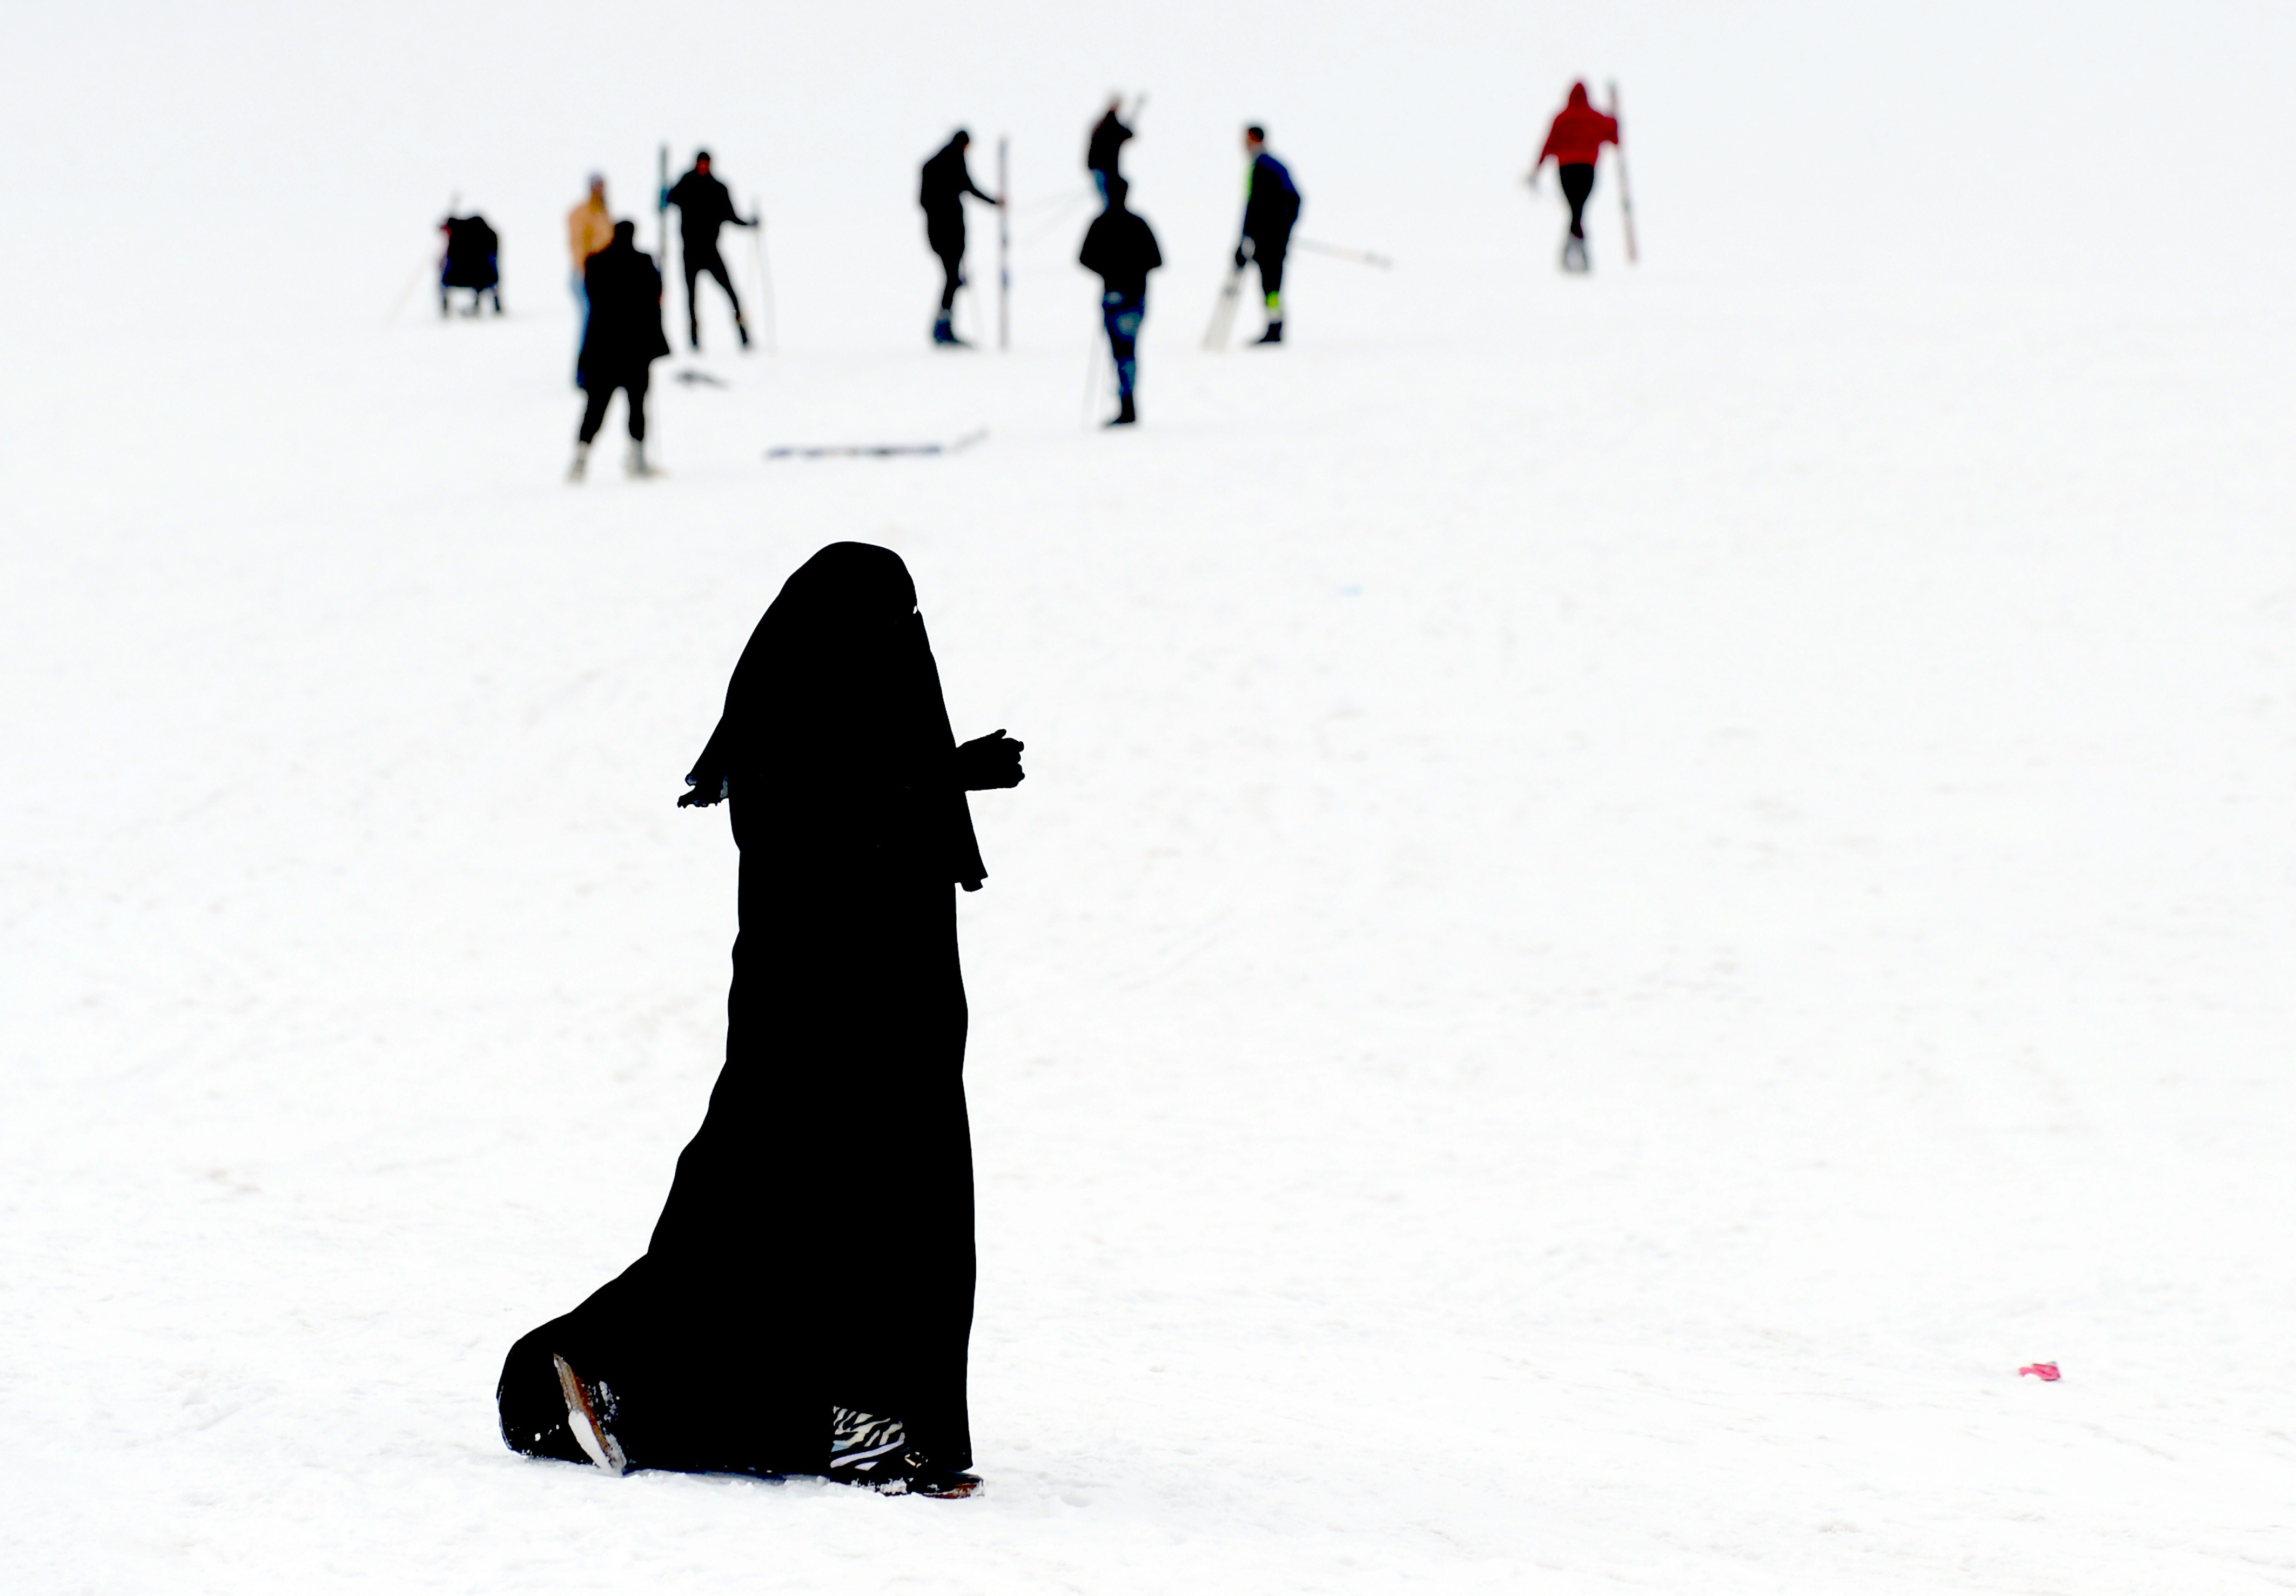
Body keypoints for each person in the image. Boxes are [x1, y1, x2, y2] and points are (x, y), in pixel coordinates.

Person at [494, 542, 1026, 1499]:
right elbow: (811, 819)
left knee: (900, 1222)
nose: (901, 644)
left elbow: (873, 809)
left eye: (907, 623)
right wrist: (937, 775)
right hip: (810, 1031)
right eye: (880, 625)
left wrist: (936, 779)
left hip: (898, 1032)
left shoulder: (858, 716)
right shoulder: (781, 722)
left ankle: (890, 1429)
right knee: (753, 1220)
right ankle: (580, 1368)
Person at [569, 220, 670, 481]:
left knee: (595, 408)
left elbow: (591, 295)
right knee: (637, 406)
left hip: (602, 349)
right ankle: (637, 458)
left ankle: (580, 459)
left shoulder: (595, 263)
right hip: (635, 349)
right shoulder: (644, 263)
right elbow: (655, 299)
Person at [1078, 174, 1161, 427]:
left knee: (1121, 351)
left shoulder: (1100, 223)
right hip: (1136, 296)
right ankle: (1128, 403)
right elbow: (1156, 259)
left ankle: (1128, 406)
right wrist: (1136, 270)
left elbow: (1084, 258)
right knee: (1128, 350)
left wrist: (1109, 272)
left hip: (1114, 296)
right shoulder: (1139, 223)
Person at [663, 151, 757, 351]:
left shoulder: (718, 188)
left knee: (731, 292)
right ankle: (694, 339)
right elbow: (669, 200)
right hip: (690, 251)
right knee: (692, 298)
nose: (703, 167)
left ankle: (743, 332)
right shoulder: (687, 183)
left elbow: (731, 216)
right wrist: (665, 193)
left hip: (710, 249)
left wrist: (749, 224)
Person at [918, 130, 998, 346]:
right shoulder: (953, 161)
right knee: (952, 278)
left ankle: (944, 326)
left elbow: (923, 201)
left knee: (952, 278)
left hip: (937, 231)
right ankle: (943, 328)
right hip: (949, 232)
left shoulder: (932, 164)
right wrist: (994, 203)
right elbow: (969, 187)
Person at [1531, 82, 1620, 273]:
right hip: (1587, 168)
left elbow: (1549, 145)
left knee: (1575, 208)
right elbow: (1614, 136)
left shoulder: (1562, 118)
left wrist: (1537, 169)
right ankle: (1578, 247)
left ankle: (1572, 248)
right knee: (1578, 209)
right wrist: (1615, 118)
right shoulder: (1595, 117)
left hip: (1566, 169)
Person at [1233, 126, 1300, 345]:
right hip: (1264, 239)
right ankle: (1273, 325)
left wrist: (1282, 230)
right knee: (1269, 286)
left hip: (1271, 240)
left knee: (1272, 286)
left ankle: (1275, 328)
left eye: (1247, 139)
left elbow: (1293, 199)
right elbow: (1253, 207)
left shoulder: (1268, 166)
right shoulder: (1260, 166)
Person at [566, 175, 612, 380]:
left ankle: (599, 367)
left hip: (603, 276)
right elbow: (578, 244)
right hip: (586, 275)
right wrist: (584, 271)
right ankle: (583, 370)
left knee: (601, 323)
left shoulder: (604, 213)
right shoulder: (582, 213)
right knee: (589, 322)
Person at [439, 211, 502, 317]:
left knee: (443, 274)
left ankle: (445, 310)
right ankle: (493, 305)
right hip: (485, 277)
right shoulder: (489, 235)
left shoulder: (456, 238)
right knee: (487, 275)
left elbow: (444, 262)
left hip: (457, 277)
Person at [1085, 96, 1132, 204]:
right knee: (1109, 199)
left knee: (1110, 198)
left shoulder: (1105, 124)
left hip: (1104, 169)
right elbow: (1126, 134)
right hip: (1104, 169)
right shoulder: (1109, 124)